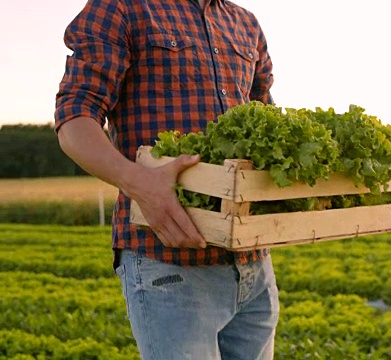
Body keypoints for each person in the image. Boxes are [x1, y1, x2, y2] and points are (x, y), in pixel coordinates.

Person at [54, 0, 279, 358]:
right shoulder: (121, 7)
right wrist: (138, 182)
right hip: (169, 264)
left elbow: (266, 122)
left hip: (253, 265)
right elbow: (75, 117)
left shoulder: (245, 23)